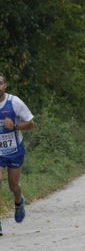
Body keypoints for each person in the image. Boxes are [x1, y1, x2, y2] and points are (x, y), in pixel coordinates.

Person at [0, 73, 34, 236]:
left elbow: (31, 124)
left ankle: (19, 201)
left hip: (14, 151)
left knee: (13, 186)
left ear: (5, 85)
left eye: (0, 83)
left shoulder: (14, 102)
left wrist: (14, 126)